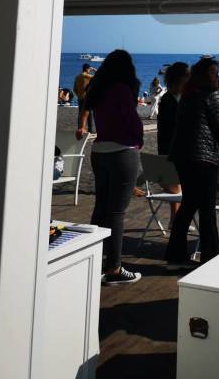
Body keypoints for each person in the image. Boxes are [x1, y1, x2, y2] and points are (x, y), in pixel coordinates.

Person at [77, 49, 143, 286]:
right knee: (117, 212)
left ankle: (93, 257)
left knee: (101, 207)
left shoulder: (99, 88)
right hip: (122, 151)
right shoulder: (121, 89)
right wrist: (139, 140)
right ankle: (114, 268)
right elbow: (131, 119)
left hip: (99, 150)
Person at [165, 58, 219, 269]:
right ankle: (210, 258)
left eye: (216, 72)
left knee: (189, 205)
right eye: (212, 72)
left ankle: (175, 257)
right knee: (207, 209)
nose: (216, 76)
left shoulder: (187, 95)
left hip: (182, 157)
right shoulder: (211, 95)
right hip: (203, 158)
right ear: (203, 74)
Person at [156, 62, 190, 222]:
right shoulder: (169, 100)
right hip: (173, 153)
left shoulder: (172, 98)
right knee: (180, 187)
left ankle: (175, 220)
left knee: (176, 188)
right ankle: (177, 220)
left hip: (169, 153)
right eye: (187, 76)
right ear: (179, 79)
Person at [74, 63, 95, 133]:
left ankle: (79, 129)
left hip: (80, 98)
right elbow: (98, 77)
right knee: (88, 114)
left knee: (80, 114)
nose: (90, 70)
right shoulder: (86, 76)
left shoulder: (77, 77)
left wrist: (79, 95)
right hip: (86, 98)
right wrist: (94, 70)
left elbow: (74, 89)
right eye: (89, 69)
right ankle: (90, 130)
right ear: (87, 69)